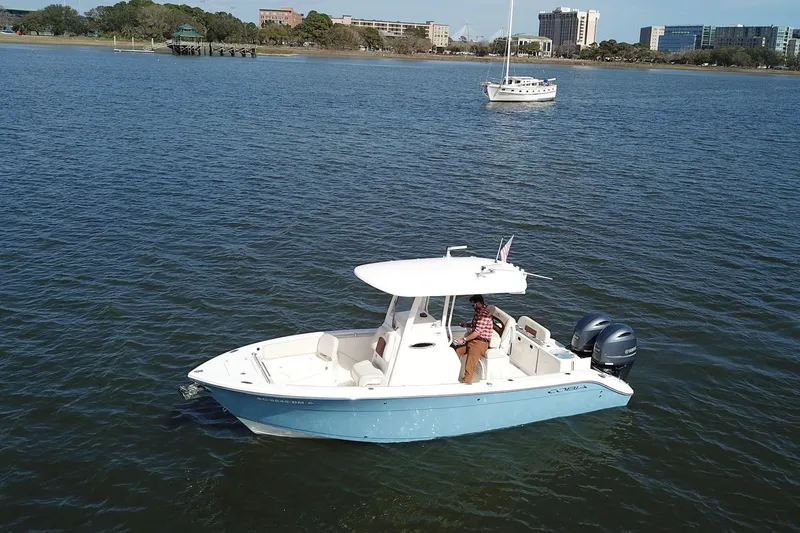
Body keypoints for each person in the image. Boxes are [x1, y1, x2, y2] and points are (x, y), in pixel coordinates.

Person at [452, 295, 493, 384]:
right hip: (473, 340)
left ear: (478, 303)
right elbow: (476, 325)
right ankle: (452, 374)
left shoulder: (484, 314)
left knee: (469, 365)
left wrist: (463, 339)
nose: (472, 307)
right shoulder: (479, 313)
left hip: (480, 342)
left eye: (473, 305)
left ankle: (466, 382)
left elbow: (477, 332)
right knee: (456, 350)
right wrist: (466, 325)